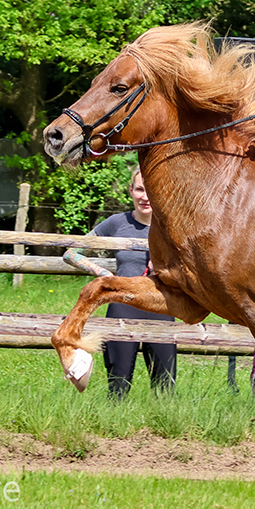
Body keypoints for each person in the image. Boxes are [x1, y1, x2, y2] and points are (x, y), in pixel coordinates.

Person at [63, 167, 177, 399]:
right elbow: (71, 254)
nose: (145, 197)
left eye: (150, 190)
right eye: (139, 190)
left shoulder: (172, 226)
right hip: (123, 306)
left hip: (161, 306)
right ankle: (114, 427)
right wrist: (105, 276)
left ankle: (166, 427)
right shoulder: (117, 222)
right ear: (131, 191)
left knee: (166, 387)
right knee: (118, 384)